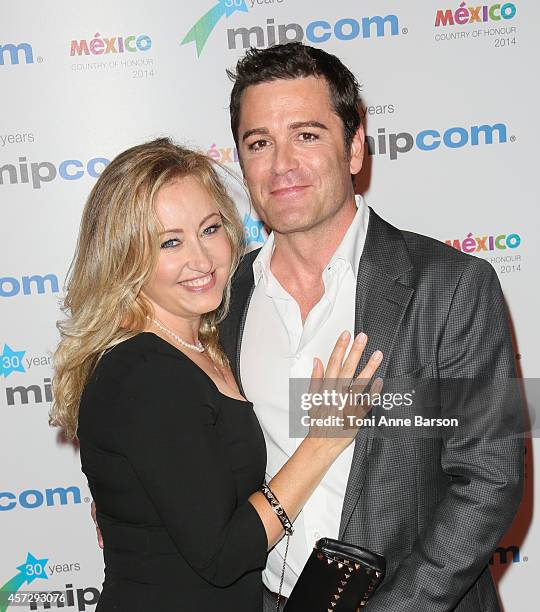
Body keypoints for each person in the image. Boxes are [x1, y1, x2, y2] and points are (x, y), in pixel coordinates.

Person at [218, 43, 524, 611]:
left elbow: (489, 480)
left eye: (306, 135)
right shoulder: (224, 297)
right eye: (259, 143)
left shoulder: (454, 285)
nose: (281, 164)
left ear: (355, 146)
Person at [49, 138, 383, 611]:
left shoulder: (210, 342)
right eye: (170, 242)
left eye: (209, 229)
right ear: (125, 256)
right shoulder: (143, 373)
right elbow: (224, 554)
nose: (202, 260)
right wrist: (324, 440)